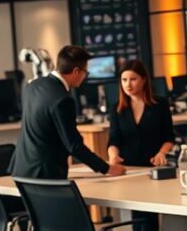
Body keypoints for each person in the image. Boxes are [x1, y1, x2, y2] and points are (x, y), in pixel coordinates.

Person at [10, 45, 127, 179]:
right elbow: (74, 145)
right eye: (86, 72)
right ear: (76, 71)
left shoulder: (33, 86)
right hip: (45, 174)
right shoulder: (63, 99)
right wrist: (107, 168)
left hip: (21, 169)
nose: (85, 77)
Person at [107, 60, 174, 231]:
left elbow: (168, 137)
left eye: (133, 79)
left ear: (144, 80)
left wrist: (162, 153)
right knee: (140, 214)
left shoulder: (160, 104)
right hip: (128, 170)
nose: (128, 84)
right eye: (124, 79)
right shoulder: (118, 108)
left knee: (147, 214)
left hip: (151, 169)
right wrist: (113, 156)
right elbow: (113, 139)